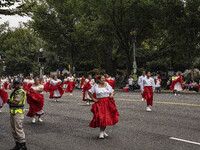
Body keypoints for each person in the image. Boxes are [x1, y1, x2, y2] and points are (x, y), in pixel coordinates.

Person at [7, 77, 27, 150]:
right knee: (13, 129)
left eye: (17, 83)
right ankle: (17, 144)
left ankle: (23, 145)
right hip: (13, 112)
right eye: (15, 83)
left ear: (20, 84)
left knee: (18, 129)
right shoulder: (14, 91)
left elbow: (16, 102)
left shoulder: (21, 92)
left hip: (18, 113)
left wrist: (8, 100)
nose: (16, 85)